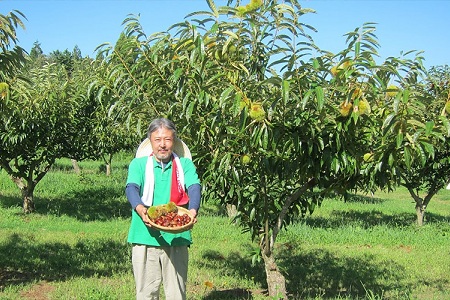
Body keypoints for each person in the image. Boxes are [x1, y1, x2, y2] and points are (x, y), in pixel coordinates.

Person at [125, 118, 201, 300]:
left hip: (176, 237)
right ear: (150, 142)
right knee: (146, 294)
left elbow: (194, 187)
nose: (162, 145)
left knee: (177, 294)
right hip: (144, 236)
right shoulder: (139, 165)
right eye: (157, 140)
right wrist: (141, 208)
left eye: (167, 139)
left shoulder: (184, 165)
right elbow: (131, 188)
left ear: (173, 141)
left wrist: (192, 210)